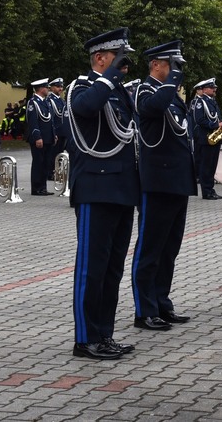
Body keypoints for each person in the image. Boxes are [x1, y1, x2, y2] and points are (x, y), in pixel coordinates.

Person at [67, 27, 140, 359]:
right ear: (100, 58)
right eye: (117, 58)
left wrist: (114, 79)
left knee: (112, 268)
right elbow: (86, 108)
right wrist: (109, 76)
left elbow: (129, 129)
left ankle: (104, 334)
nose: (124, 65)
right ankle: (85, 339)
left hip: (122, 188)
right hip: (96, 188)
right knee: (91, 268)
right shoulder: (81, 87)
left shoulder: (116, 90)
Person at [131, 41, 195, 331]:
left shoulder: (170, 94)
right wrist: (172, 81)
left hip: (177, 180)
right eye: (171, 64)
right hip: (156, 181)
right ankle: (144, 310)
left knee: (169, 248)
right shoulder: (145, 91)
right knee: (150, 249)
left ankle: (162, 304)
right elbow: (154, 109)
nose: (175, 70)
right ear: (156, 64)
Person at [191, 78, 222, 200]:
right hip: (205, 138)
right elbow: (199, 120)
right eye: (212, 88)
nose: (214, 89)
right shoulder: (200, 102)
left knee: (212, 165)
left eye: (214, 87)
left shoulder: (212, 101)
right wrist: (216, 125)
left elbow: (217, 116)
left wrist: (221, 125)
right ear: (205, 89)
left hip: (214, 137)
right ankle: (206, 191)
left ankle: (211, 189)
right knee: (206, 165)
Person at [26, 78, 57, 195]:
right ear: (41, 89)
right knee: (38, 163)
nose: (48, 90)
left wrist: (54, 135)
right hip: (39, 138)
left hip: (48, 138)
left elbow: (51, 121)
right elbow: (33, 122)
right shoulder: (33, 102)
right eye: (46, 88)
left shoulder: (45, 102)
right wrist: (37, 137)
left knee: (46, 163)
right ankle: (36, 188)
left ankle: (43, 187)